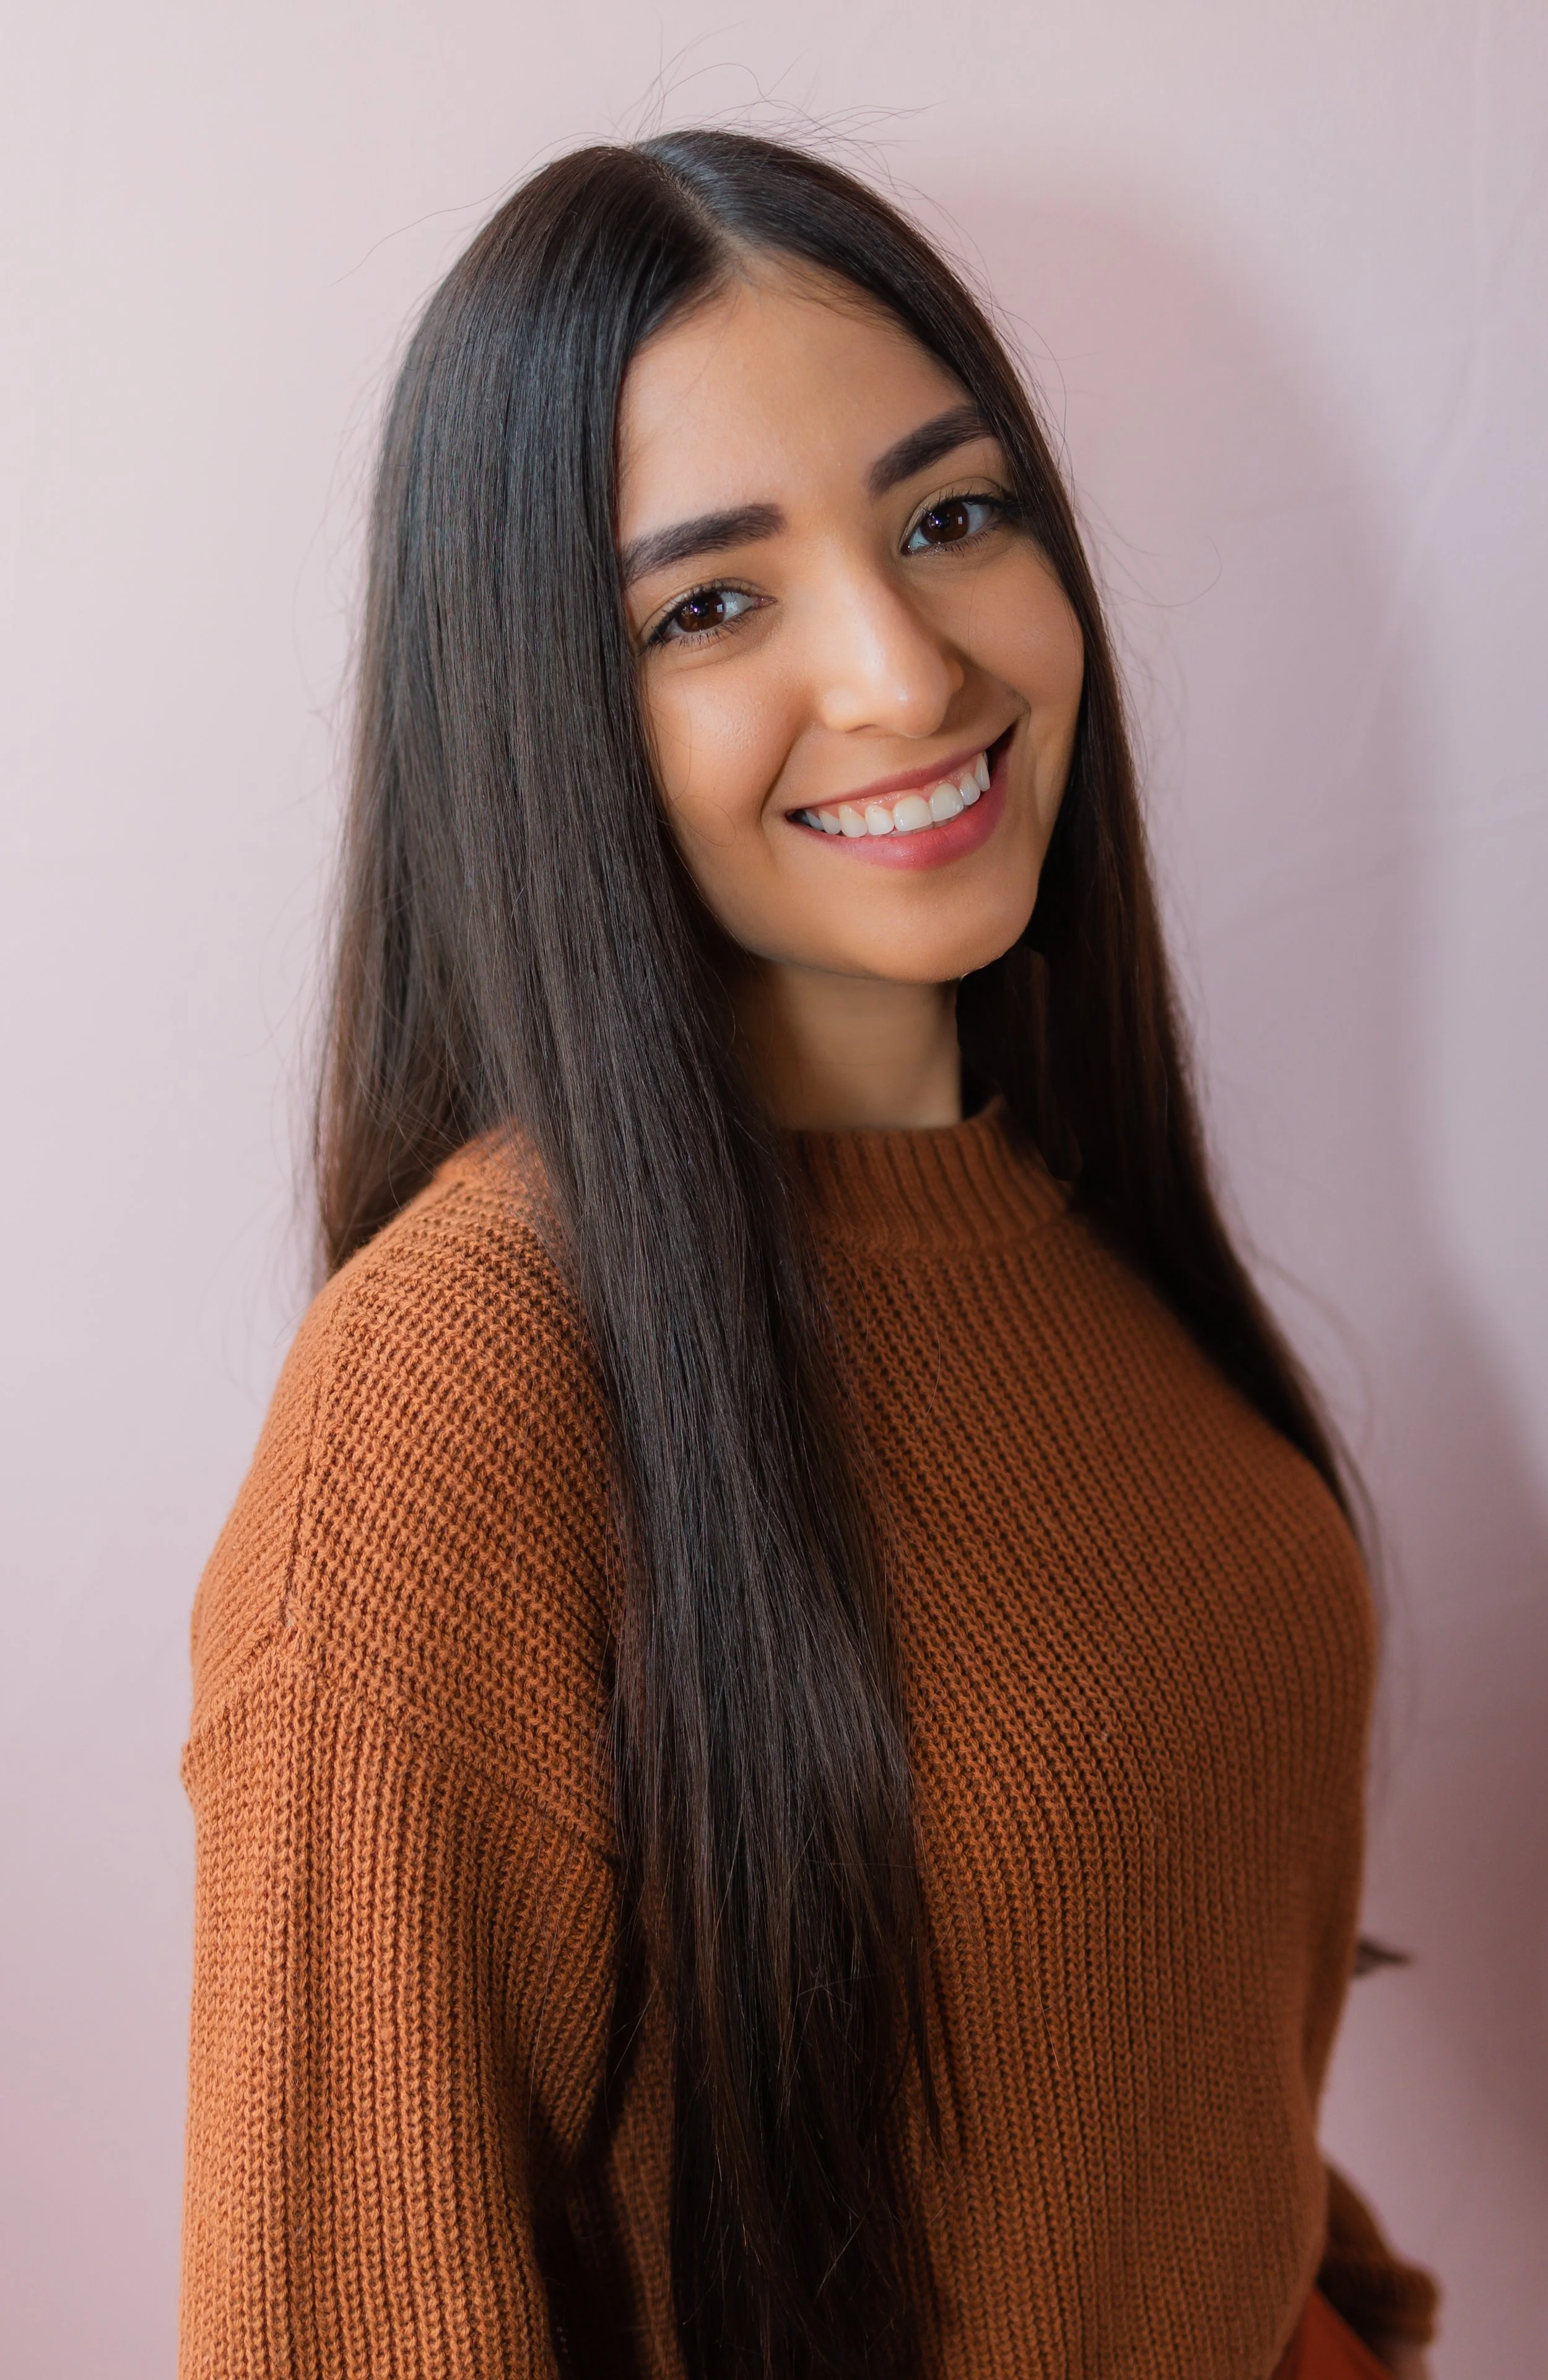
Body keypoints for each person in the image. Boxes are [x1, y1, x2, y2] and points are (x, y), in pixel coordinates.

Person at [178, 130, 1440, 2379]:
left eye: (951, 515)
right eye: (708, 602)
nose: (898, 664)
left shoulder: (1080, 1232)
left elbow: (1155, 2095)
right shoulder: (453, 1399)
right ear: (544, 705)